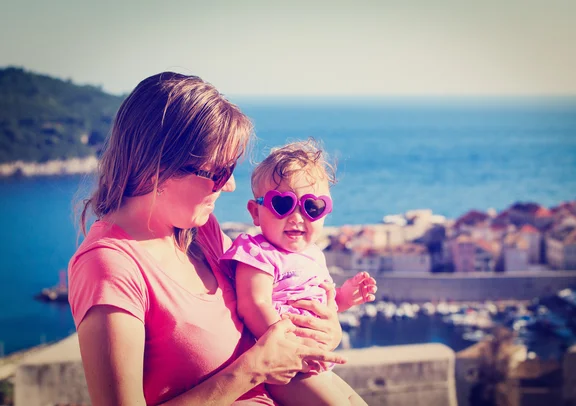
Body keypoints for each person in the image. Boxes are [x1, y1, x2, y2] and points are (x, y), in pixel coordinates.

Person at [68, 72, 348, 406]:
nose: (228, 185)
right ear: (159, 166)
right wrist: (254, 368)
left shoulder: (201, 232)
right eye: (218, 173)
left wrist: (324, 328)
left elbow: (268, 302)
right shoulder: (110, 266)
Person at [220, 139, 377, 405]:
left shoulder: (313, 254)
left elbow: (320, 307)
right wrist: (288, 347)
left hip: (314, 364)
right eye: (282, 204)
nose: (297, 217)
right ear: (255, 212)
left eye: (312, 207)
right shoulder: (257, 252)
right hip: (285, 368)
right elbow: (253, 303)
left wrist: (345, 298)